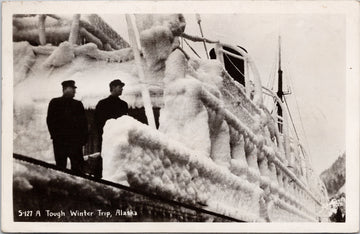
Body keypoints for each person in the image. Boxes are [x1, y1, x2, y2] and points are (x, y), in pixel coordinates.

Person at [46, 80, 88, 173]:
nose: (75, 91)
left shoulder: (78, 104)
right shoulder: (55, 102)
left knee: (78, 169)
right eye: (72, 88)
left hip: (75, 143)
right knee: (61, 168)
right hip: (60, 142)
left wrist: (83, 139)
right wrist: (55, 136)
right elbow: (50, 121)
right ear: (65, 89)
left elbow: (83, 123)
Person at [95, 79, 128, 151]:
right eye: (120, 87)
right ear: (113, 87)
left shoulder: (123, 105)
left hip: (120, 140)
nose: (122, 89)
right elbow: (97, 122)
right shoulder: (102, 104)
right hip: (106, 139)